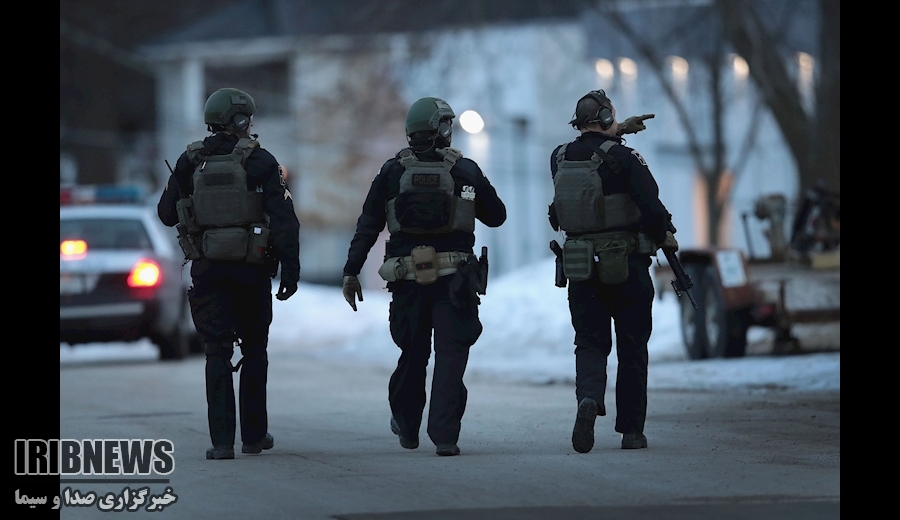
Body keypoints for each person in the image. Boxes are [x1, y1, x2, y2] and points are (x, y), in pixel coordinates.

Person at [341, 97, 506, 456]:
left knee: (413, 353)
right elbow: (497, 216)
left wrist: (351, 269)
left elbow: (368, 224)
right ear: (440, 129)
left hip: (407, 281)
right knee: (450, 355)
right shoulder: (465, 169)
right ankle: (444, 436)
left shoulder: (391, 172)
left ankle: (407, 424)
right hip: (456, 282)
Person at [158, 87, 301, 460]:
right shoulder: (261, 161)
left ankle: (221, 443)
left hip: (208, 271)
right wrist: (290, 269)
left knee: (216, 353)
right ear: (241, 120)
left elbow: (166, 214)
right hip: (252, 270)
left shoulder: (190, 161)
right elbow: (284, 220)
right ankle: (254, 436)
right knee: (254, 350)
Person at [548, 89, 678, 453]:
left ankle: (589, 398)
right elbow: (651, 206)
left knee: (589, 342)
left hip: (581, 267)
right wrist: (665, 234)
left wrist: (619, 129)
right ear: (606, 118)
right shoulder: (626, 157)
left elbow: (590, 153)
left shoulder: (559, 157)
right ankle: (632, 432)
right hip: (627, 266)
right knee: (632, 346)